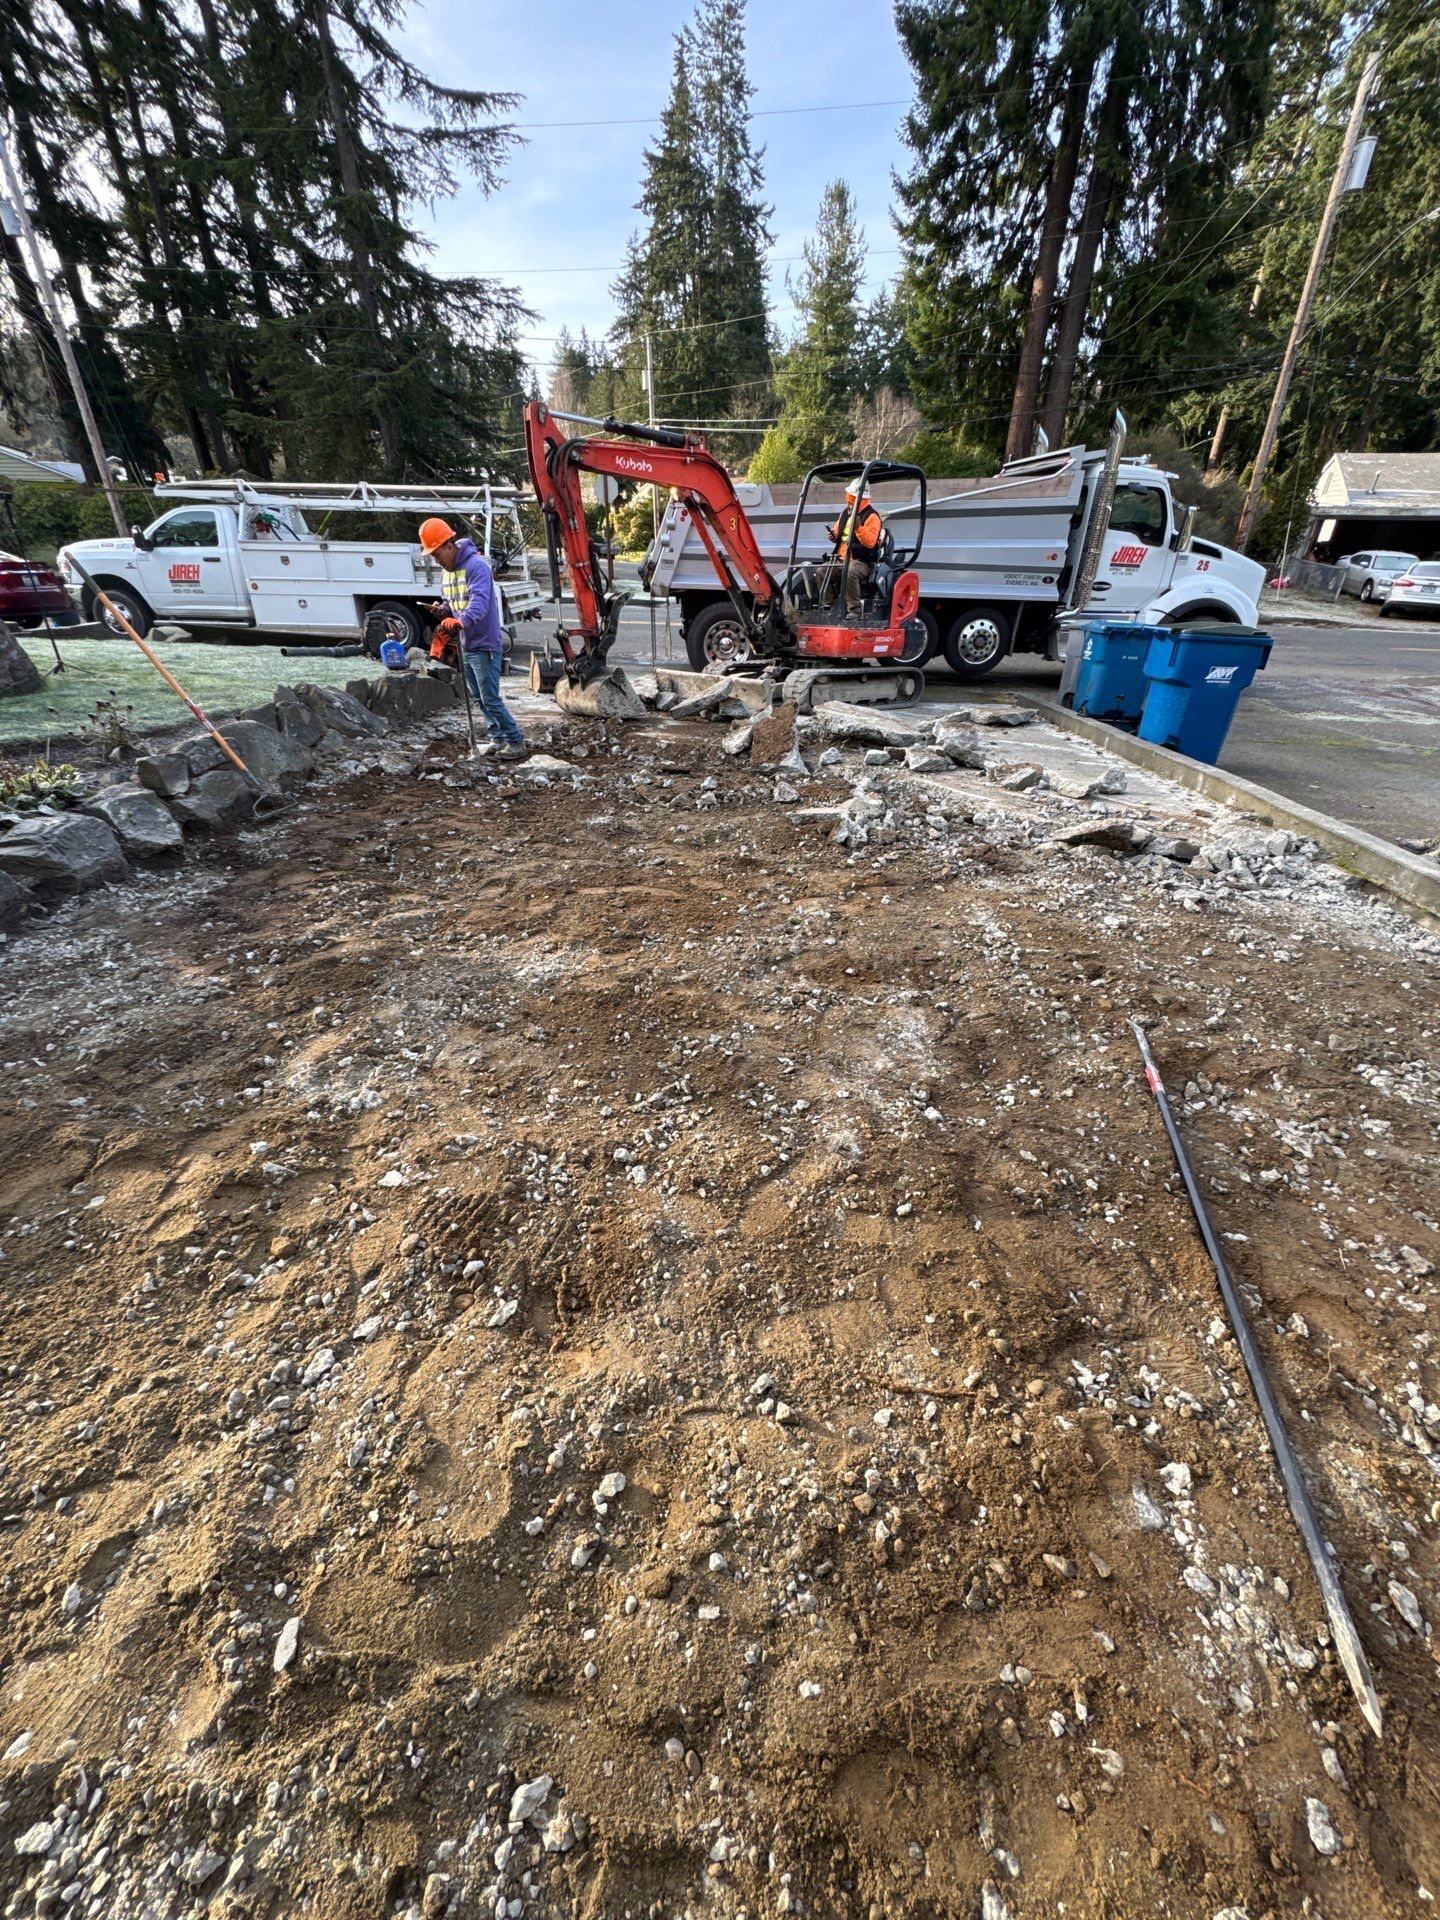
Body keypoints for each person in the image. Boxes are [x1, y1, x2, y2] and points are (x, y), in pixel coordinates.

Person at [417, 516, 526, 760]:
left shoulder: (477, 567)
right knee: (477, 696)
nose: (436, 560)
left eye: (437, 554)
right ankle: (497, 738)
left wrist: (461, 621)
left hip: (484, 643)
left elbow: (479, 602)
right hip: (465, 644)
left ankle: (515, 740)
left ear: (448, 544)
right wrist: (442, 610)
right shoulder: (449, 573)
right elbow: (452, 602)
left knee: (490, 697)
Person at [816, 481, 885, 614]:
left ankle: (854, 610)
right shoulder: (845, 513)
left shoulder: (872, 516)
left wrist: (859, 527)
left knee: (850, 571)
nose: (849, 502)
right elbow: (838, 530)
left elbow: (870, 542)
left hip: (861, 561)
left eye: (852, 499)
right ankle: (829, 607)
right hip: (841, 558)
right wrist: (833, 535)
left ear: (861, 499)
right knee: (821, 571)